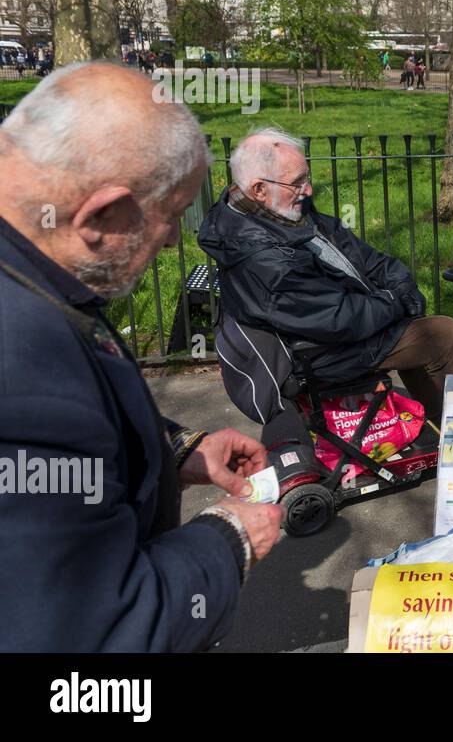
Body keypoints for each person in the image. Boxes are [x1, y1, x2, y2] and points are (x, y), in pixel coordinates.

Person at [0, 62, 283, 651]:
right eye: (173, 214)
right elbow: (91, 635)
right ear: (103, 214)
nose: (176, 239)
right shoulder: (25, 367)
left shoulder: (35, 263)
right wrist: (226, 540)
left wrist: (171, 446)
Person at [198, 129, 453, 469]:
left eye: (307, 177)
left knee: (420, 328)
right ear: (260, 189)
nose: (309, 189)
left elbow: (366, 257)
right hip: (319, 351)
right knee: (442, 336)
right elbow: (337, 318)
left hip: (341, 324)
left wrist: (399, 288)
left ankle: (443, 423)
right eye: (298, 181)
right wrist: (396, 302)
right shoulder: (260, 256)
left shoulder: (283, 211)